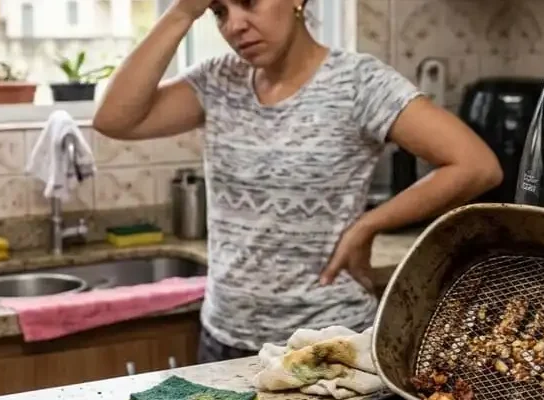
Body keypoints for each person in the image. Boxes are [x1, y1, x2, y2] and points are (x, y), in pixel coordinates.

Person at [92, 0, 503, 364]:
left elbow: (475, 165)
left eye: (248, 3)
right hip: (224, 339)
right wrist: (183, 11)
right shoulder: (218, 82)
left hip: (327, 342)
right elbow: (114, 119)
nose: (234, 25)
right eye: (219, 11)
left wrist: (369, 224)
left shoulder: (357, 82)